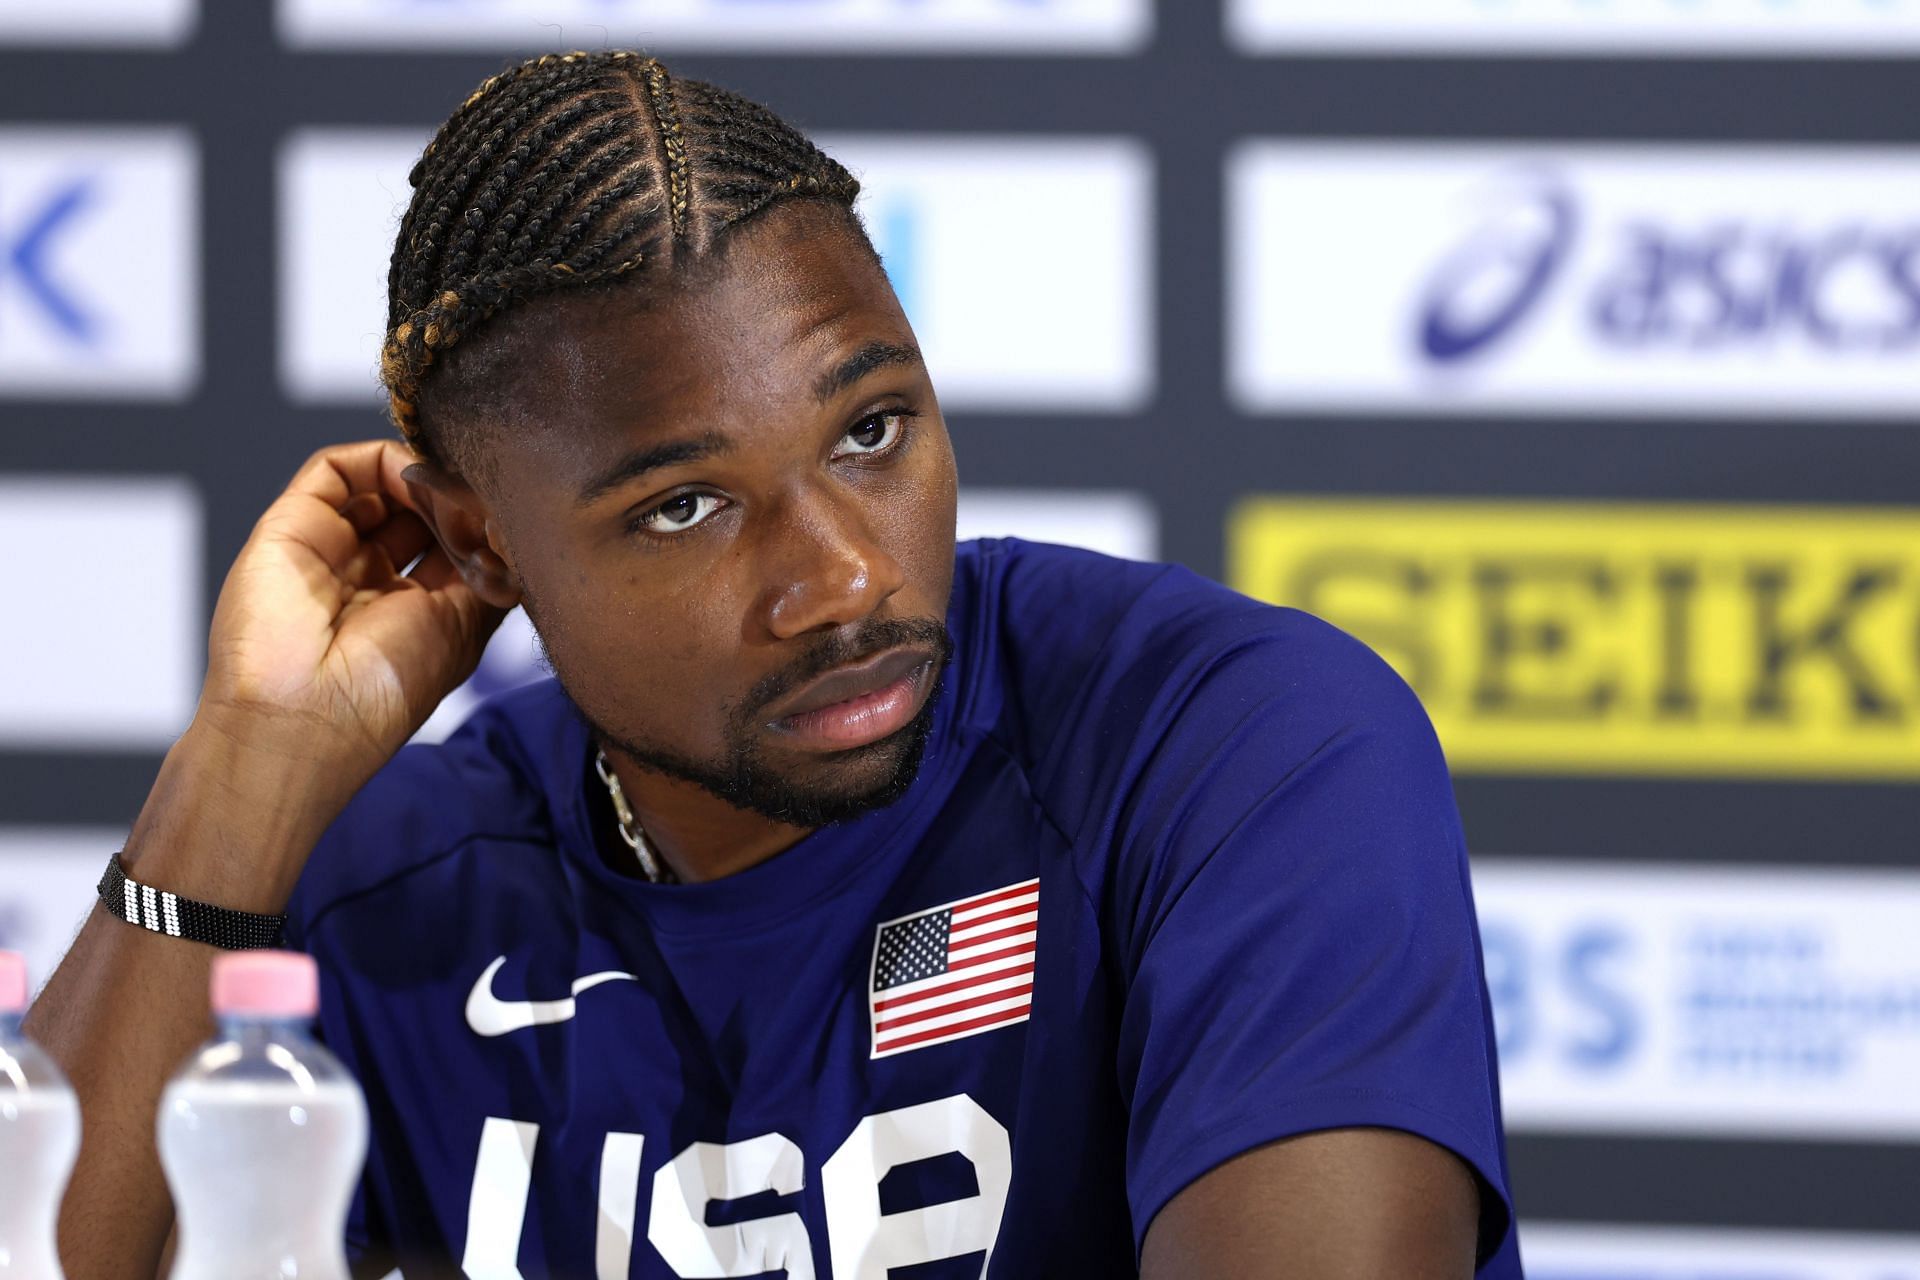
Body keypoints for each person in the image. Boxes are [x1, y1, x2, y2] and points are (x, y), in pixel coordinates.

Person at [27, 51, 1520, 1279]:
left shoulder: (1234, 754)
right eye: (687, 505)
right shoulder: (383, 893)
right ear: (482, 552)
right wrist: (248, 769)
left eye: (872, 433)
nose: (843, 579)